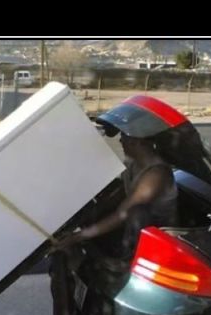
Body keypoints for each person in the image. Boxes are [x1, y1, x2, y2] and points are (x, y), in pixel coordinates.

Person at [54, 95, 198, 256]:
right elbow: (118, 195)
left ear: (138, 141)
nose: (120, 141)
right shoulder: (132, 163)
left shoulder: (156, 175)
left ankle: (126, 258)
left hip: (158, 239)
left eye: (123, 137)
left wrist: (79, 236)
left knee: (136, 213)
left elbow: (124, 213)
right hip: (135, 229)